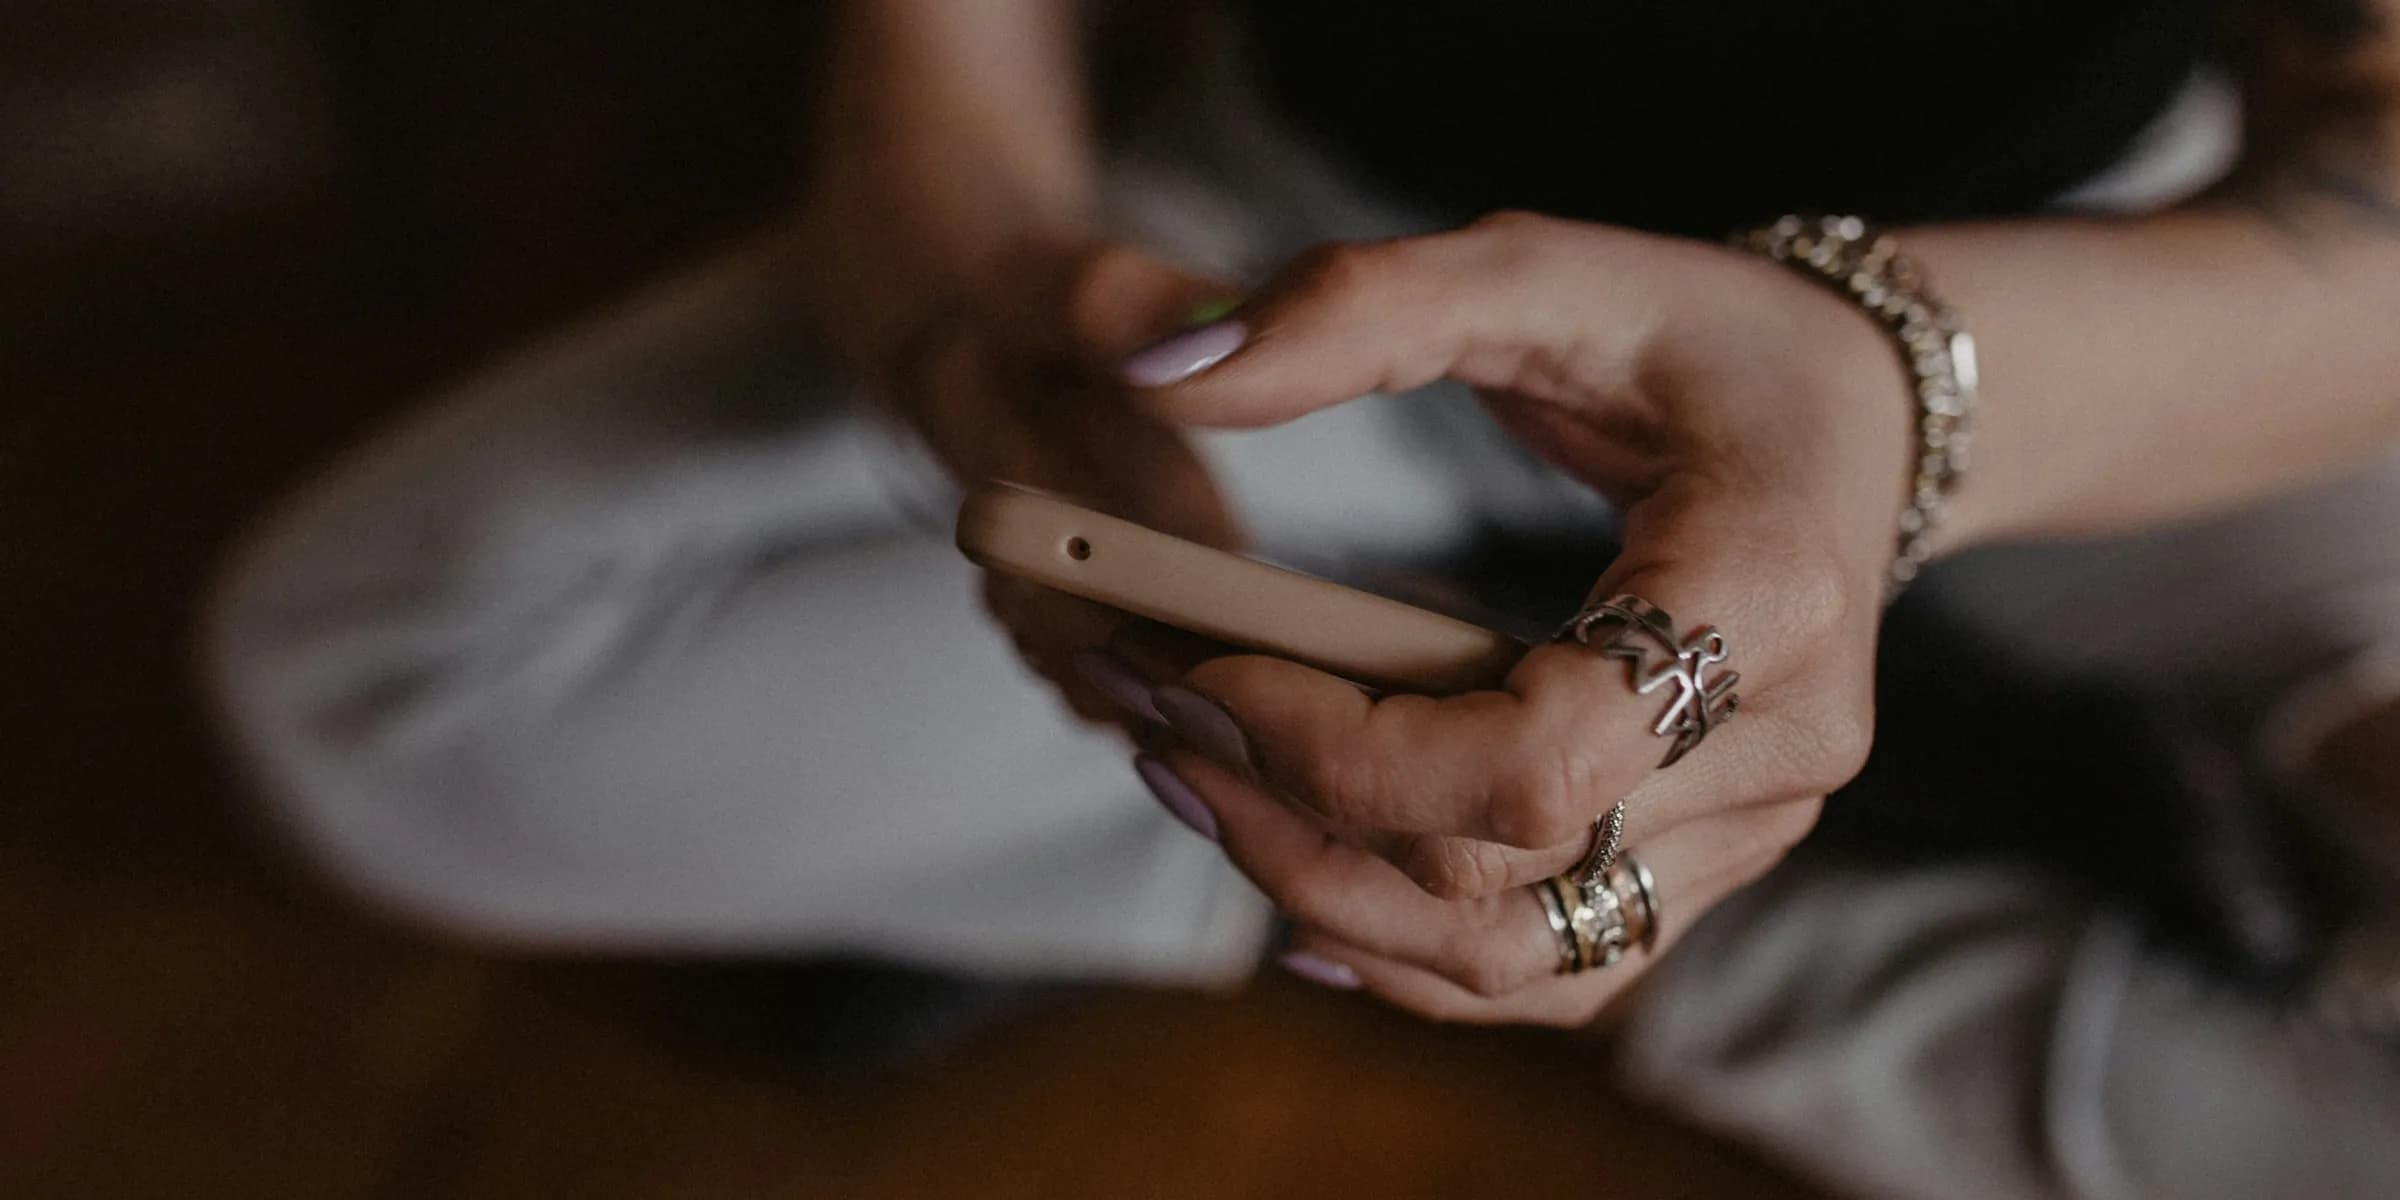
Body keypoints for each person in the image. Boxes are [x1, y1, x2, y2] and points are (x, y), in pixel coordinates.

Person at [207, 1, 2400, 1194]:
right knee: (380, 682)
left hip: (2098, 322)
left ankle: (1608, 826)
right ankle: (1556, 836)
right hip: (1321, 281)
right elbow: (949, 74)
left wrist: (1887, 386)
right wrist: (972, 319)